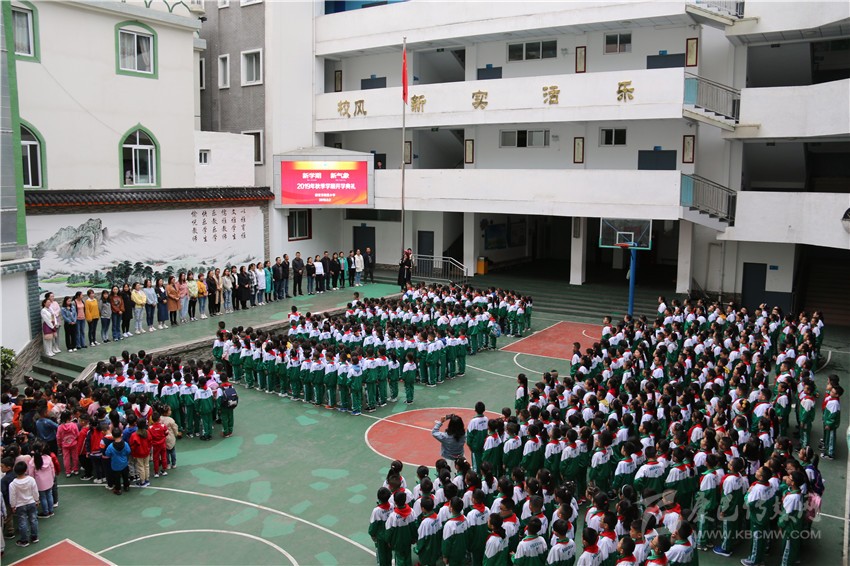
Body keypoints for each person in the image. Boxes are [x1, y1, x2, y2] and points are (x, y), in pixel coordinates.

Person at [9, 461, 39, 547]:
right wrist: (37, 500)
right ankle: (34, 537)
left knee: (22, 522)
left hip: (20, 505)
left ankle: (24, 540)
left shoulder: (13, 484)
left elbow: (12, 496)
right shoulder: (31, 480)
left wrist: (13, 506)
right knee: (33, 520)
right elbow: (35, 491)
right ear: (25, 470)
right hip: (31, 502)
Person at [442, 496, 469, 566]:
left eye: (449, 504)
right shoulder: (465, 519)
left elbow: (446, 543)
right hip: (463, 552)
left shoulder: (449, 525)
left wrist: (445, 556)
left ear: (451, 508)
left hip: (453, 557)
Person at [370, 487, 393, 566]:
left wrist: (372, 534)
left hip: (380, 538)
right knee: (389, 554)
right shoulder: (392, 506)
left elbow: (373, 526)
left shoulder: (376, 511)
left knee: (381, 556)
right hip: (390, 536)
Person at [104, 430, 131, 495]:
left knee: (117, 478)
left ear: (113, 436)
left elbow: (107, 454)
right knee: (125, 476)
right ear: (121, 434)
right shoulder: (125, 444)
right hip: (124, 463)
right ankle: (126, 486)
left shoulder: (110, 446)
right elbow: (128, 451)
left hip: (115, 465)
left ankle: (118, 489)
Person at [129, 420, 152, 487]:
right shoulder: (147, 432)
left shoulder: (134, 435)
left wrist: (133, 453)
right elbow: (150, 442)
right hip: (146, 452)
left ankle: (142, 482)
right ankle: (147, 480)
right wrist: (148, 450)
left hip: (139, 454)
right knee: (146, 466)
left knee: (140, 467)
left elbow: (132, 446)